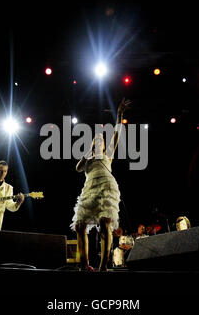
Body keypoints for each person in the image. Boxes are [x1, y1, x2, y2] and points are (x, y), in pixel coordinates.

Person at [70, 98, 131, 271]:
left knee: (105, 223)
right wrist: (87, 154)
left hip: (106, 186)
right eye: (95, 141)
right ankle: (84, 265)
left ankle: (104, 265)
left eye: (101, 141)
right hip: (90, 189)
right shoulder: (88, 159)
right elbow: (77, 168)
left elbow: (117, 134)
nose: (99, 142)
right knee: (79, 226)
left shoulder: (108, 155)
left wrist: (119, 115)